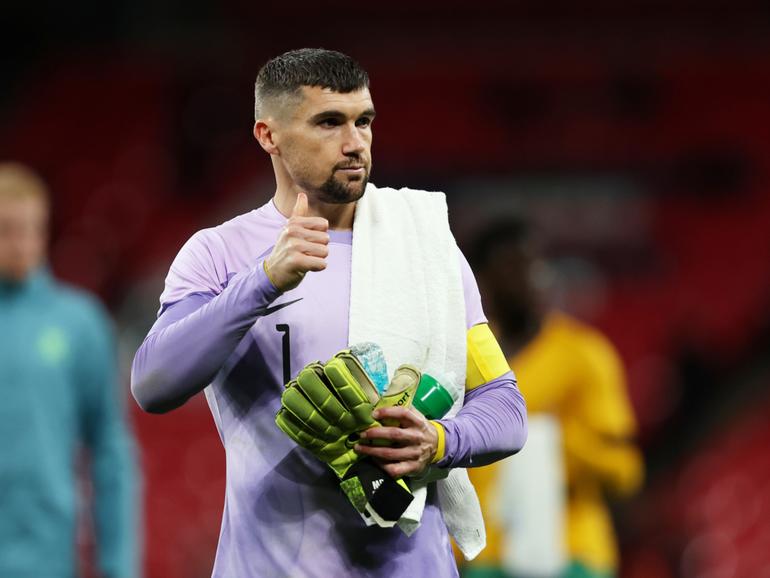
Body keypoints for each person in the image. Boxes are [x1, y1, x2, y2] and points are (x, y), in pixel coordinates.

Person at [131, 48, 528, 577]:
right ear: (268, 135)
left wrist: (438, 441)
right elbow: (153, 383)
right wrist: (264, 279)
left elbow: (505, 408)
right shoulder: (220, 253)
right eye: (328, 122)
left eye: (364, 121)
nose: (355, 142)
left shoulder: (425, 245)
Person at [464, 218, 644, 578]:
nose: (529, 279)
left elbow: (625, 470)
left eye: (535, 266)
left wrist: (552, 446)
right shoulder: (459, 358)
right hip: (485, 557)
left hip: (572, 554)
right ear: (481, 281)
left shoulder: (584, 355)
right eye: (512, 268)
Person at [0, 162, 138, 578]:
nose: (20, 242)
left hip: (44, 558)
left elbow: (110, 452)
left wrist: (117, 565)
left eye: (30, 229)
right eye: (7, 229)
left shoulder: (78, 323)